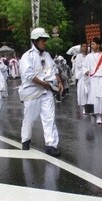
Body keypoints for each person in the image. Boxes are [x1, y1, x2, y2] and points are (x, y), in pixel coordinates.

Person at [18, 27, 64, 156]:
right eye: (43, 40)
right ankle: (25, 140)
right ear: (35, 41)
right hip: (32, 92)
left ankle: (51, 145)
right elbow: (28, 76)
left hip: (47, 92)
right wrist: (44, 84)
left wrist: (59, 81)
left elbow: (54, 70)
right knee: (29, 118)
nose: (45, 42)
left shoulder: (47, 55)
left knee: (49, 118)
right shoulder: (27, 57)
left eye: (45, 40)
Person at [83, 37, 102, 124]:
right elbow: (84, 67)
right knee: (96, 98)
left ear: (98, 45)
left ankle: (101, 112)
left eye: (93, 44)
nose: (91, 46)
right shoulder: (88, 56)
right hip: (94, 80)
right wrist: (86, 71)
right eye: (91, 44)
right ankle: (98, 115)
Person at [73, 42, 89, 114]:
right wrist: (85, 67)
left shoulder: (89, 56)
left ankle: (89, 108)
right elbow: (79, 66)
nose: (85, 48)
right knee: (83, 93)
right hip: (81, 78)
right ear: (81, 48)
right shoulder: (78, 56)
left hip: (89, 77)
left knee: (89, 93)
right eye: (84, 46)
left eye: (86, 46)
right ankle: (84, 108)